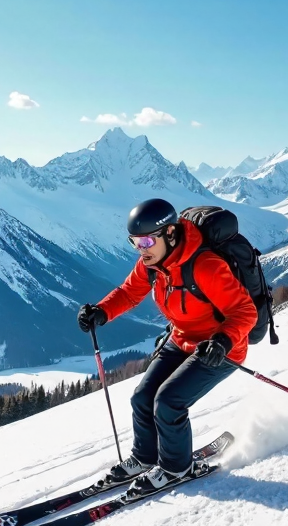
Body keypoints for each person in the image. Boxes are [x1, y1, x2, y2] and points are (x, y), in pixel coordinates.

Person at [77, 199, 258, 496]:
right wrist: (101, 311)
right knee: (142, 398)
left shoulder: (205, 266)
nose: (141, 248)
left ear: (170, 234)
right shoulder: (152, 264)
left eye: (147, 240)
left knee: (169, 402)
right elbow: (128, 292)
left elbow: (245, 311)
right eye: (134, 242)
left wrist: (222, 341)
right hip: (182, 338)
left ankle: (177, 468)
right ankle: (145, 457)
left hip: (219, 348)